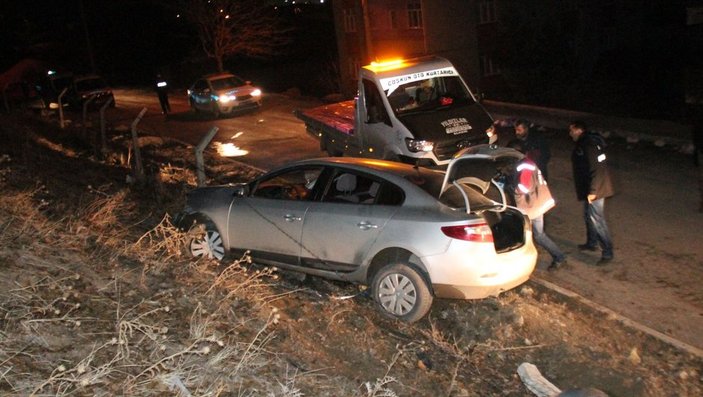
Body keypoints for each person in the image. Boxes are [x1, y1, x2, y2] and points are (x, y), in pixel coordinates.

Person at [507, 139, 567, 271]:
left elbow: (523, 187)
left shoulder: (524, 166)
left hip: (534, 206)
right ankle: (558, 257)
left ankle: (559, 257)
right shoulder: (527, 162)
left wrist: (512, 188)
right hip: (538, 203)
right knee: (535, 234)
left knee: (536, 235)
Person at [568, 121, 614, 265]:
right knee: (588, 216)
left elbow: (597, 168)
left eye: (571, 130)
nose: (569, 133)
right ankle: (591, 243)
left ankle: (607, 253)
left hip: (596, 189)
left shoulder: (588, 144)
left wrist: (593, 191)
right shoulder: (586, 142)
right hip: (592, 187)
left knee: (598, 220)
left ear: (578, 130)